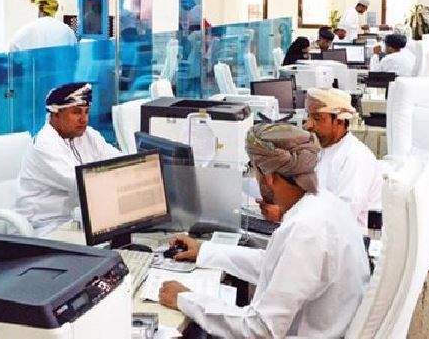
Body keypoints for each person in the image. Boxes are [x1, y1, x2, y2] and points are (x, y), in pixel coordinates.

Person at [158, 123, 369, 338]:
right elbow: (274, 268)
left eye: (253, 169)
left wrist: (187, 300)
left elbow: (261, 329)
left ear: (269, 176)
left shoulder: (305, 231)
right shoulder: (327, 205)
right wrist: (205, 252)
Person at [14, 82, 122, 235]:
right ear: (55, 114)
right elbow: (85, 184)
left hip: (77, 221)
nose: (83, 119)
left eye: (86, 112)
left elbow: (119, 161)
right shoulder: (45, 145)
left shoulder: (88, 134)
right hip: (44, 227)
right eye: (76, 112)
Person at [304, 88, 382, 227]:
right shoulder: (322, 149)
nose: (308, 125)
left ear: (340, 121)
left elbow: (342, 216)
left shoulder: (355, 158)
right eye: (308, 117)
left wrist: (289, 215)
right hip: (318, 229)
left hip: (348, 236)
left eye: (317, 119)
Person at [8, 0, 78, 52]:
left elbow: (12, 46)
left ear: (39, 10)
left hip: (35, 65)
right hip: (60, 66)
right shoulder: (67, 30)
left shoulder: (29, 28)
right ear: (55, 11)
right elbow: (75, 53)